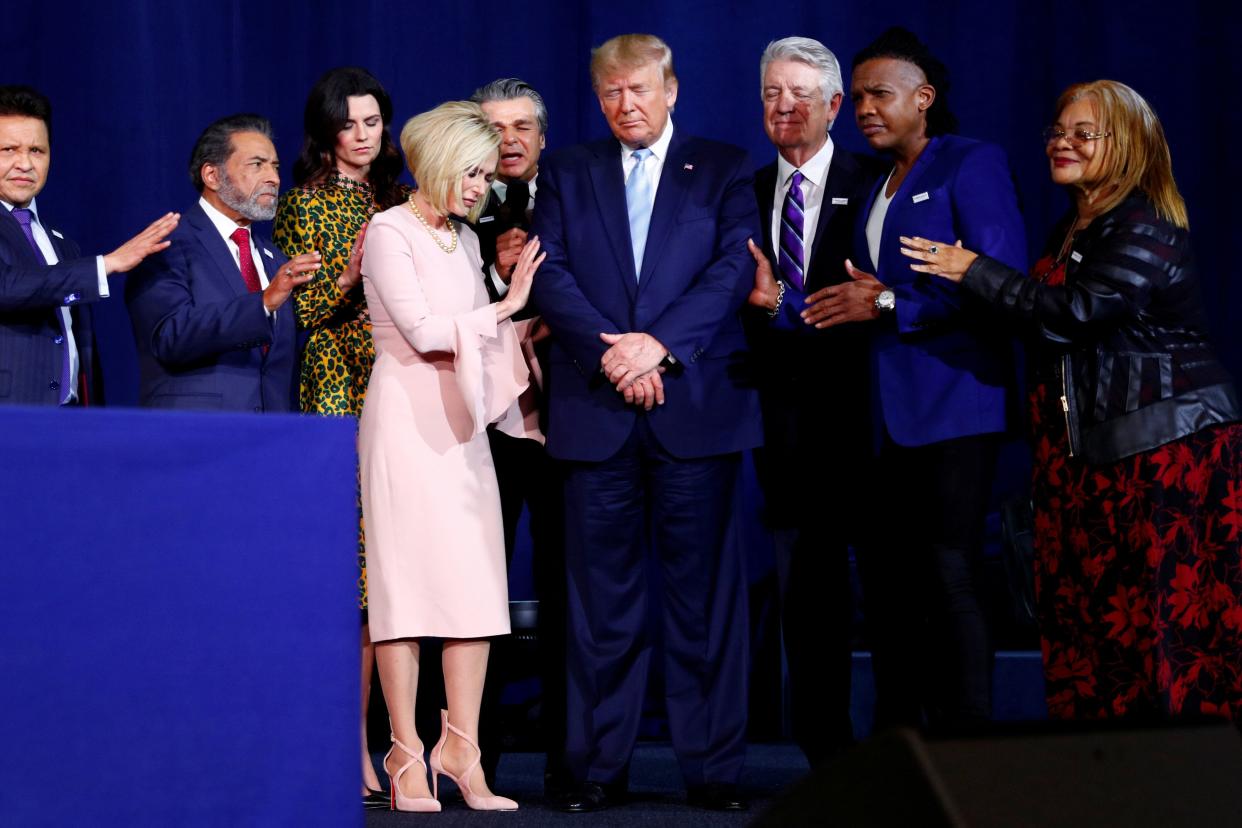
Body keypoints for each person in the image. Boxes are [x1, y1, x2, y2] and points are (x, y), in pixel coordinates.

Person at [899, 80, 1242, 722]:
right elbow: (1031, 318)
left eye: (1083, 134)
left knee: (1156, 632)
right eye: (1058, 132)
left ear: (1129, 145)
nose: (1063, 143)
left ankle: (1176, 789)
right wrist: (894, 299)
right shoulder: (1071, 227)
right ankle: (1105, 784)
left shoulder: (1145, 223)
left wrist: (973, 269)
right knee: (1091, 635)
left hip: (1161, 460)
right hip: (1085, 465)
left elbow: (1076, 312)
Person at [530, 34, 762, 813]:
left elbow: (735, 267)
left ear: (671, 90)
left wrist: (659, 350)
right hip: (597, 411)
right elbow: (549, 272)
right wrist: (614, 360)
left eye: (638, 90)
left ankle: (714, 769)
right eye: (609, 94)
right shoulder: (566, 171)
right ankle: (597, 767)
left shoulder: (725, 168)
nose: (625, 105)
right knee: (600, 603)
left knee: (705, 601)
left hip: (694, 408)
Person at [810, 27, 1027, 732]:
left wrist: (891, 302)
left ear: (924, 98)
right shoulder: (876, 184)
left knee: (951, 573)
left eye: (881, 94)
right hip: (886, 418)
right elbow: (856, 298)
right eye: (860, 96)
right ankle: (903, 742)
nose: (865, 107)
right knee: (893, 586)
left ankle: (967, 745)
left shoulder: (971, 163)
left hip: (956, 405)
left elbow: (1000, 282)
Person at [358, 100, 544, 813]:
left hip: (463, 426)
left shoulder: (463, 242)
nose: (480, 188)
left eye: (485, 175)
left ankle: (461, 751)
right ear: (434, 164)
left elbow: (479, 340)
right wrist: (506, 306)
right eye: (469, 172)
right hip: (406, 421)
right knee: (405, 592)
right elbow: (429, 330)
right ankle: (405, 753)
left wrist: (524, 327)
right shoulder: (388, 232)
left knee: (472, 589)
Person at [271, 66, 408, 810]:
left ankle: (404, 742)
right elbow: (309, 309)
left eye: (373, 122)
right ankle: (343, 741)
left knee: (393, 573)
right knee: (350, 577)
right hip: (337, 386)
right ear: (327, 131)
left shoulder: (400, 199)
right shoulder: (305, 204)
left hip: (405, 381)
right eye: (349, 124)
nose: (362, 136)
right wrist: (356, 270)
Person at [743, 36, 879, 765]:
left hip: (872, 418)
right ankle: (826, 755)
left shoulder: (878, 181)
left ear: (834, 105)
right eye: (771, 93)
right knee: (809, 596)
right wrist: (761, 308)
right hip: (784, 425)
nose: (783, 106)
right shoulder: (741, 193)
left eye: (799, 93)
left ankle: (903, 750)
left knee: (890, 591)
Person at [467, 76, 570, 796]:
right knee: (477, 597)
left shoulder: (577, 196)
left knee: (570, 593)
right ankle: (475, 760)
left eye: (521, 127)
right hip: (481, 427)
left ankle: (573, 760)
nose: (508, 141)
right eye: (494, 128)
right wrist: (495, 281)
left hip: (566, 425)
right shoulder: (456, 207)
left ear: (541, 136)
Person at [126, 114, 322, 411]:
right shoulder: (165, 244)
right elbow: (169, 337)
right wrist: (263, 303)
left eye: (275, 166)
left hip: (271, 439)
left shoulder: (274, 259)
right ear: (212, 176)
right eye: (257, 165)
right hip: (199, 436)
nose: (274, 178)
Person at [0, 84, 178, 406]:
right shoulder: (85, 263)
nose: (25, 164)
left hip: (69, 421)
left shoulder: (62, 244)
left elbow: (76, 343)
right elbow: (7, 286)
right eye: (8, 150)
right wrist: (106, 264)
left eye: (36, 151)